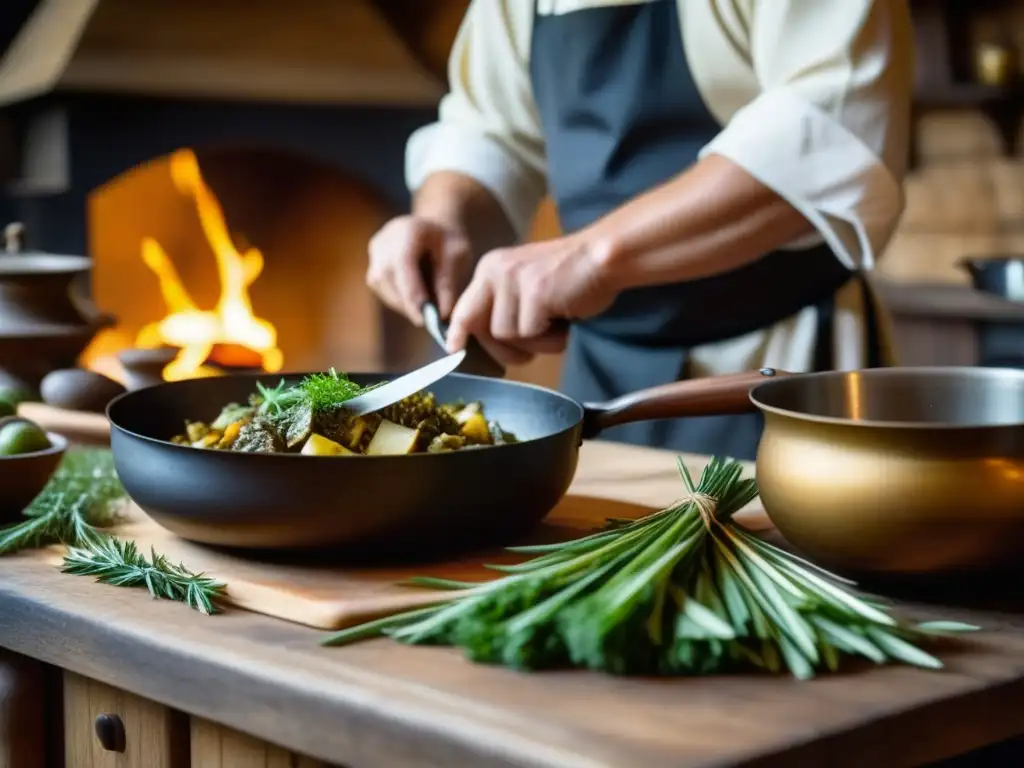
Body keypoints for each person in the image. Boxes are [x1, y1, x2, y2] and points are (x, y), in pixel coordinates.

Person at [366, 0, 913, 460]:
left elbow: (831, 127)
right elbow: (489, 128)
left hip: (781, 367)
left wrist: (590, 258)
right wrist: (443, 219)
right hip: (601, 380)